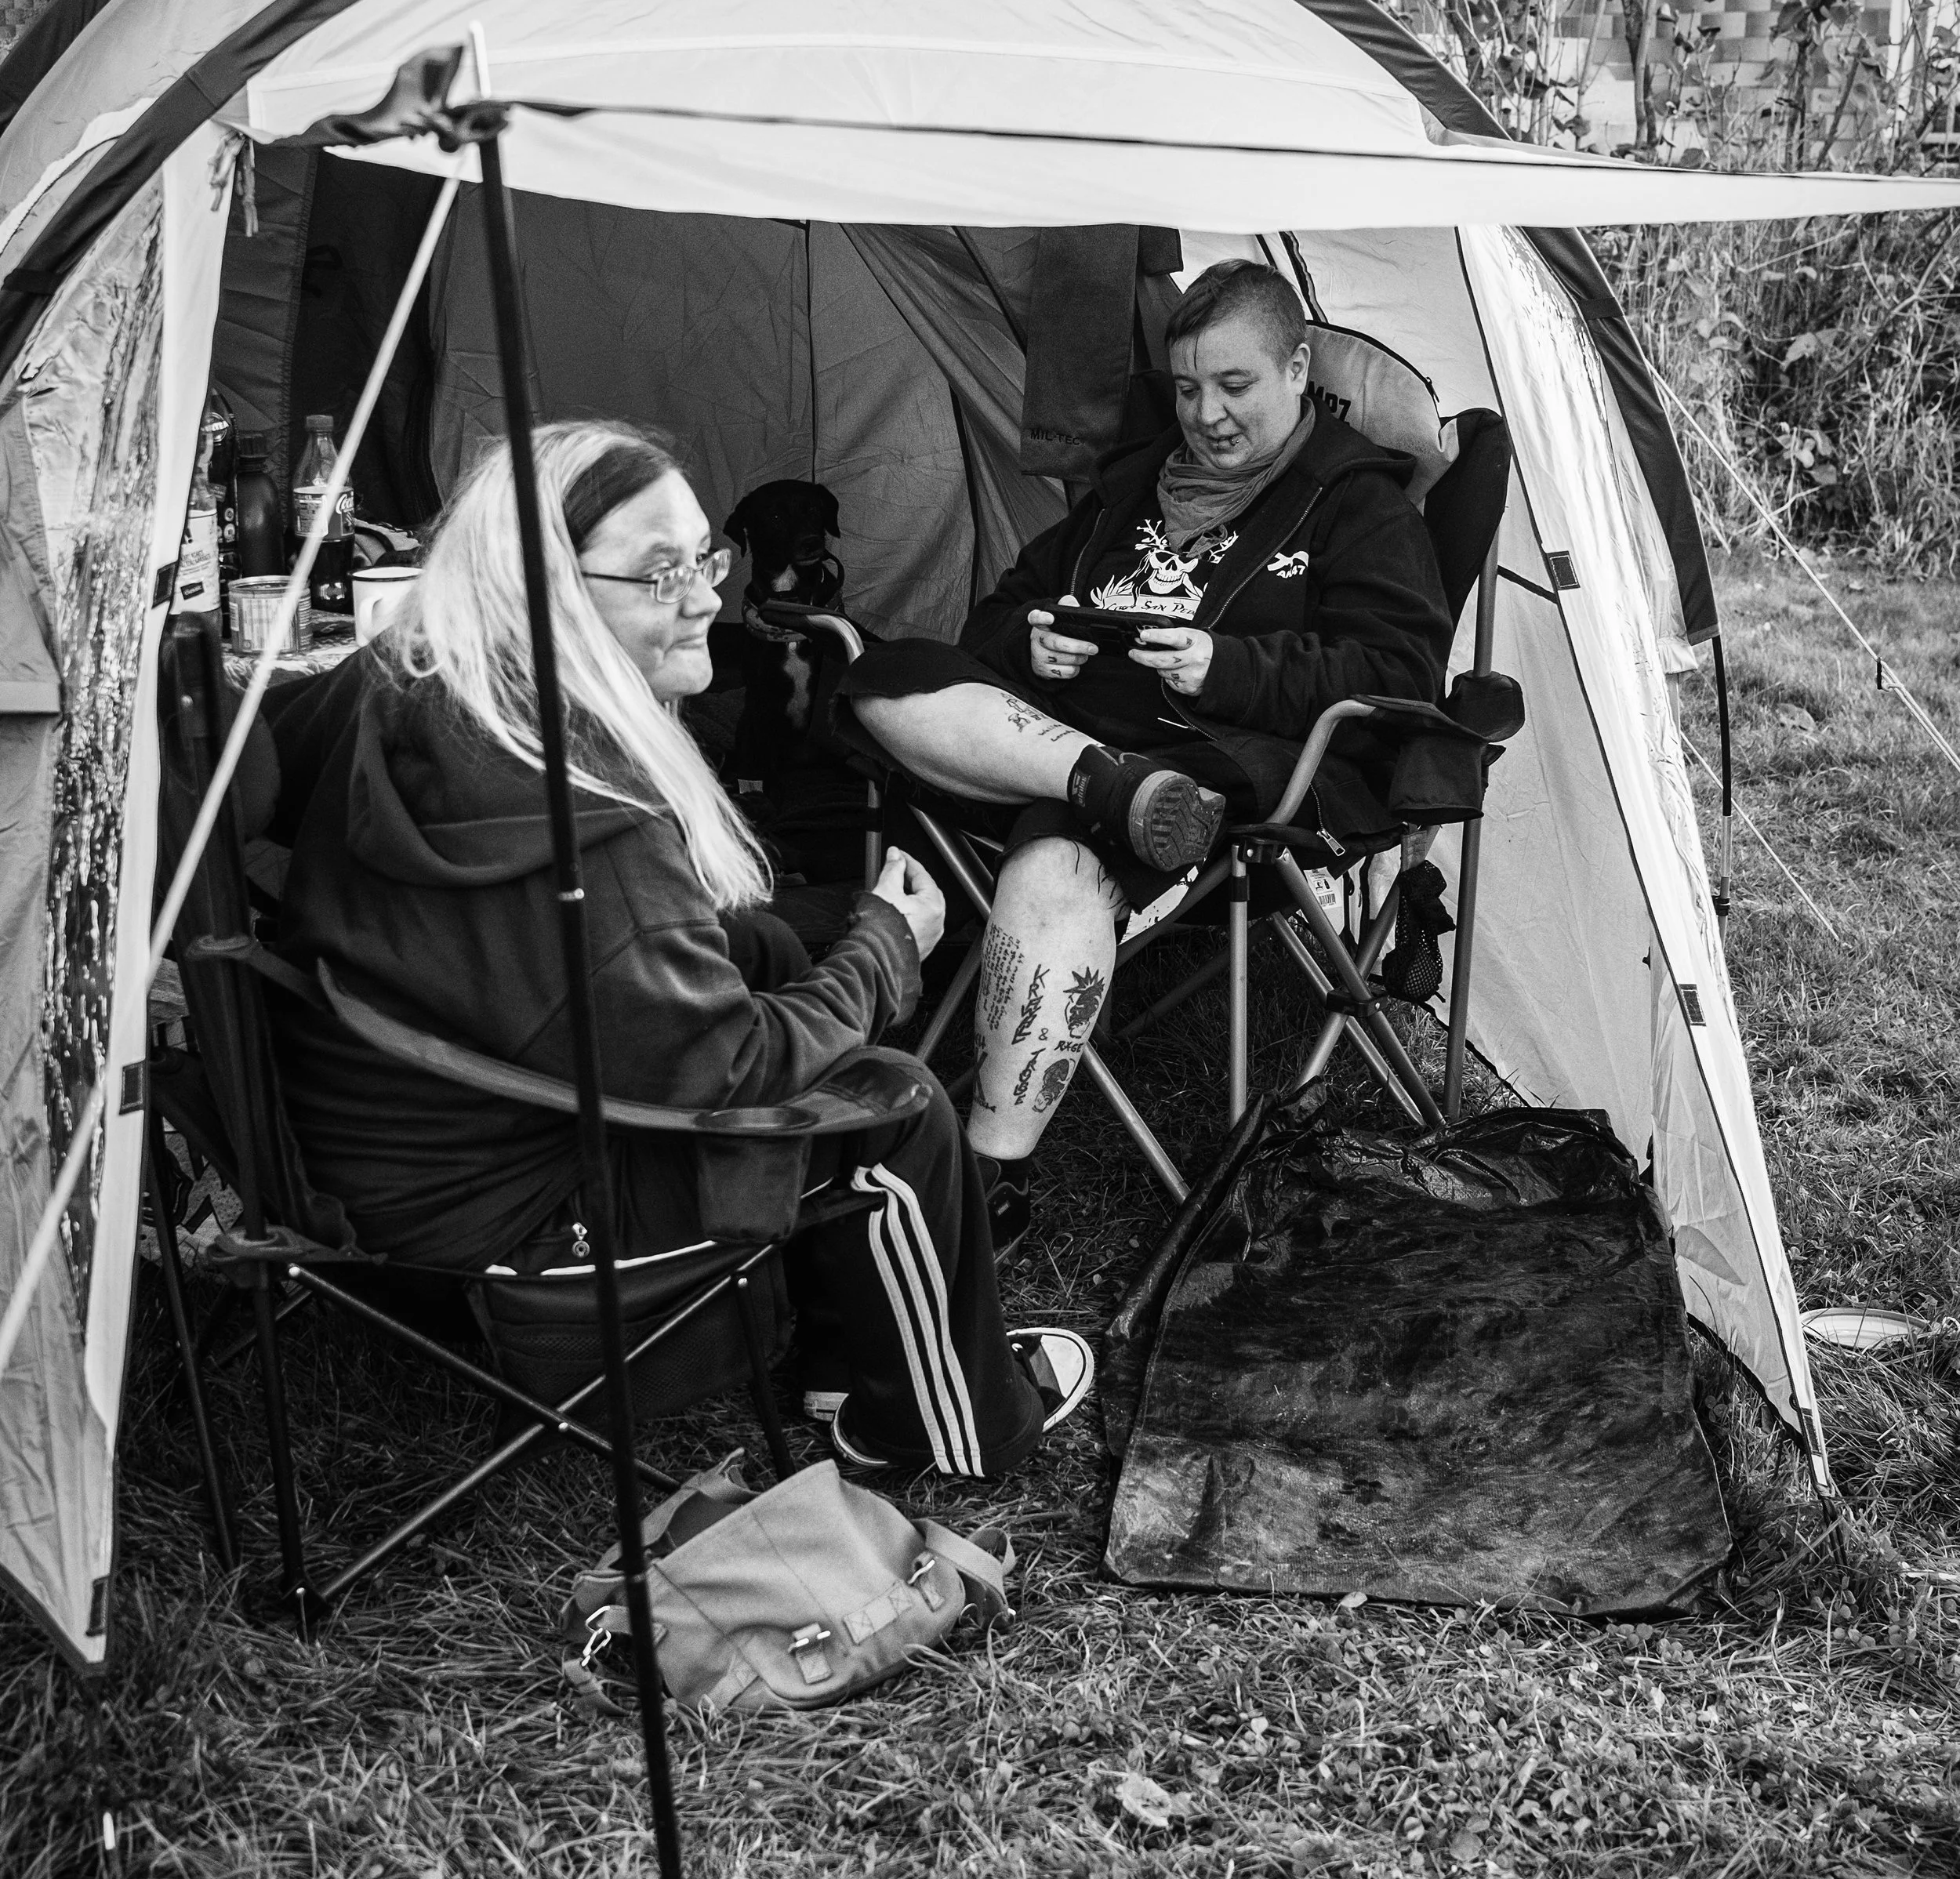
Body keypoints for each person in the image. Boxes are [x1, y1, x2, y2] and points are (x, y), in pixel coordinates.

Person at [267, 419, 1092, 1480]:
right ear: (548, 594)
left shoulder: (407, 678)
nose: (708, 595)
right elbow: (731, 1070)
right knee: (892, 1105)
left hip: (393, 1148)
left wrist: (807, 946)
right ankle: (951, 1420)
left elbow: (242, 762)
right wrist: (889, 946)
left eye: (704, 554)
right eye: (659, 573)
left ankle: (857, 1352)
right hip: (513, 1223)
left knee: (779, 939)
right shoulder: (588, 822)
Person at [838, 259, 1454, 1253]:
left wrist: (1233, 668)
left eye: (1234, 385)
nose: (1204, 415)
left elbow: (1399, 669)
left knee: (1053, 862)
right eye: (1185, 388)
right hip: (1071, 744)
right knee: (885, 674)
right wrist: (1025, 643)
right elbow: (1005, 606)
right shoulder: (1131, 486)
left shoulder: (1356, 505)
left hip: (1213, 757)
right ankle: (1101, 781)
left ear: (1299, 368)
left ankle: (985, 1188)